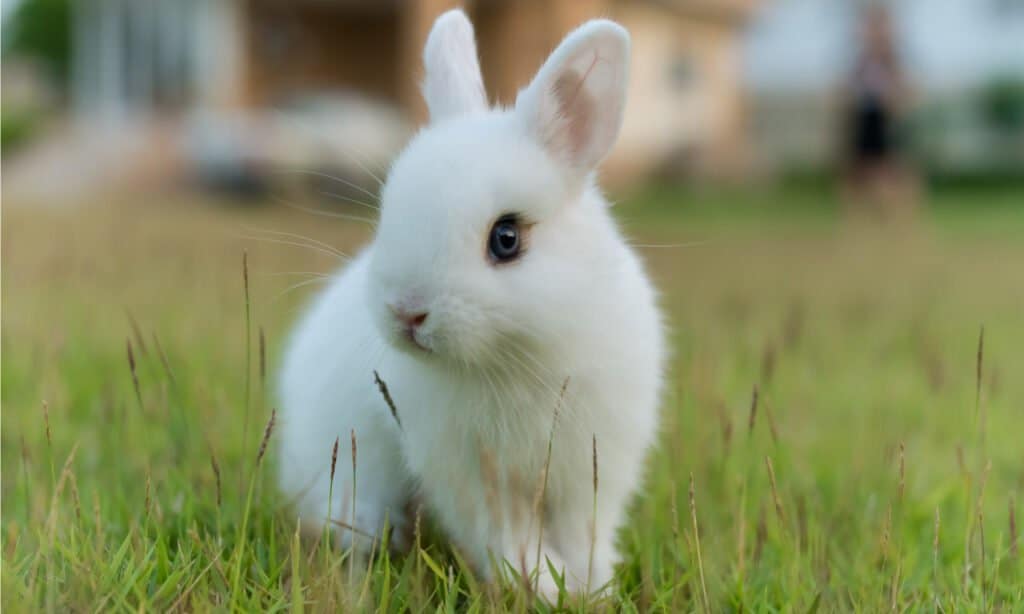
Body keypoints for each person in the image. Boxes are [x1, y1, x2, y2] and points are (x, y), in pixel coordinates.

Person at [842, 5, 917, 216]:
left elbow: (905, 89)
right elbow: (852, 86)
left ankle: (900, 216)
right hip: (866, 115)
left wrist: (897, 102)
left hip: (886, 117)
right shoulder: (863, 59)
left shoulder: (891, 58)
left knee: (892, 170)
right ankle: (860, 219)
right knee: (858, 170)